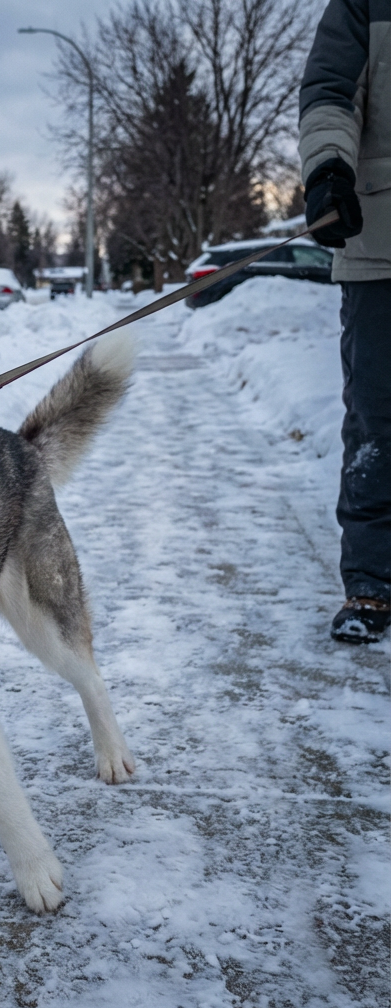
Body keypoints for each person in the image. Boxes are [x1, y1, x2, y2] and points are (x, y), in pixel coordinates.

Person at [298, 0, 390, 643]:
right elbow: (329, 91)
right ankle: (373, 583)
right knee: (378, 421)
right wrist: (331, 169)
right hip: (381, 246)